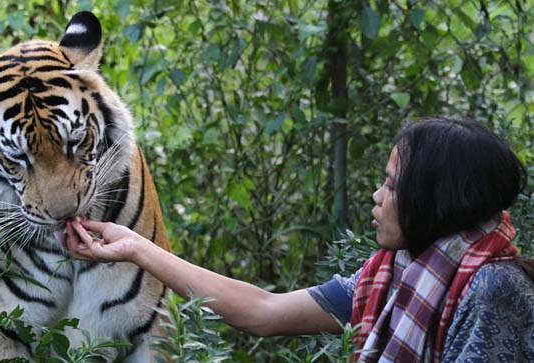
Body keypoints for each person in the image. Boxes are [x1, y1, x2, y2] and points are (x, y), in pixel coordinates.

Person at [61, 118, 534, 362]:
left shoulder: (493, 288)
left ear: (436, 201)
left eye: (392, 185)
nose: (377, 196)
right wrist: (134, 246)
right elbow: (263, 313)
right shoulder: (401, 272)